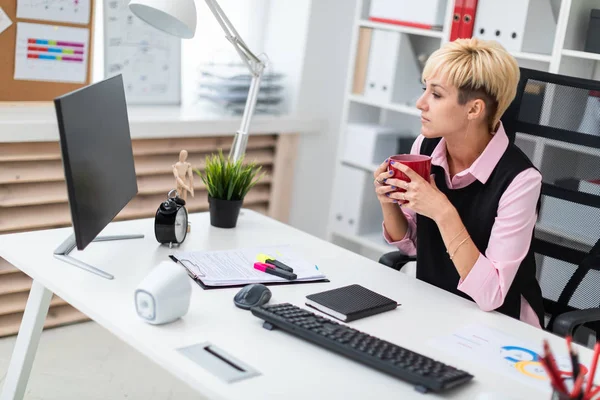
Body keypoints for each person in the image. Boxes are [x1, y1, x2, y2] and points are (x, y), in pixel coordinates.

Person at [373, 38, 545, 328]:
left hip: (502, 325)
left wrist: (442, 211)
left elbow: (492, 296)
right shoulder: (426, 147)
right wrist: (388, 202)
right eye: (423, 88)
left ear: (474, 109)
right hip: (439, 305)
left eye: (436, 95)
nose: (421, 103)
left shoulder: (520, 180)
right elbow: (414, 247)